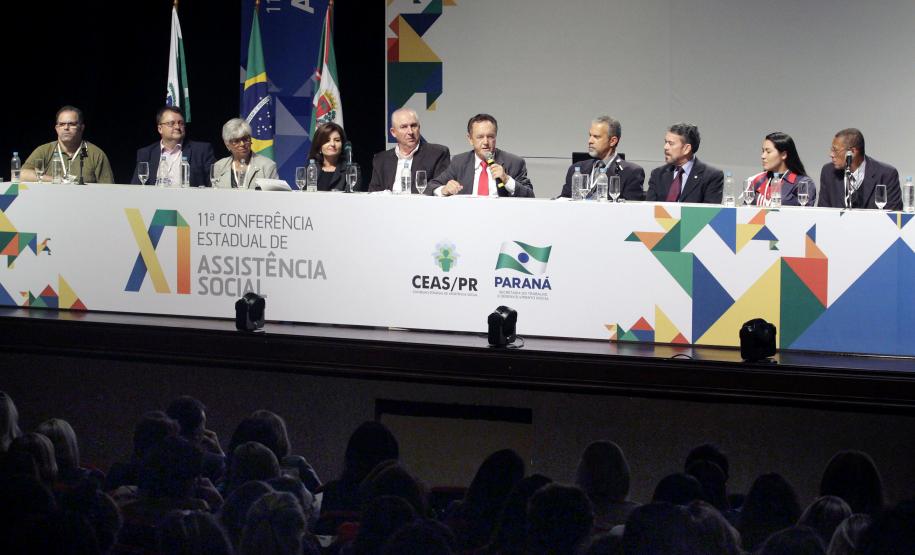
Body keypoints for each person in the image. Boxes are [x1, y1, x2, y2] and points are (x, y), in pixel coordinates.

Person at [430, 114, 534, 197]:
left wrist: (507, 179)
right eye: (480, 137)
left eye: (490, 136)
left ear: (495, 137)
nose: (485, 142)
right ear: (470, 139)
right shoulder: (459, 162)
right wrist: (444, 190)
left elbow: (530, 195)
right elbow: (432, 186)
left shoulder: (514, 162)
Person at [20, 105, 114, 184]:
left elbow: (109, 189)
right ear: (57, 128)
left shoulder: (96, 154)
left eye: (72, 124)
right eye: (61, 124)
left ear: (81, 128)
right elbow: (21, 174)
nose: (66, 128)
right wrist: (55, 180)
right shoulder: (44, 150)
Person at [559, 116, 645, 201]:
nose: (590, 141)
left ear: (612, 141)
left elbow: (631, 210)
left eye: (596, 137)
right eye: (590, 135)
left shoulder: (631, 172)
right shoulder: (577, 169)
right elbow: (564, 201)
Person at [368, 108, 451, 194]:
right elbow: (373, 194)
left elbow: (441, 188)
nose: (410, 131)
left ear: (419, 128)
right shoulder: (381, 159)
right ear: (393, 132)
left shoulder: (437, 154)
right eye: (404, 127)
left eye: (413, 126)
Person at [130, 106, 215, 187]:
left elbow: (213, 184)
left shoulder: (201, 151)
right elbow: (136, 187)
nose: (177, 127)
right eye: (171, 123)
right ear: (160, 129)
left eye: (181, 123)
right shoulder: (146, 153)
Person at [818, 128, 901, 210]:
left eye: (835, 150)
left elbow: (893, 216)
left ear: (852, 152)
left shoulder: (886, 175)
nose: (831, 154)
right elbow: (822, 212)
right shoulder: (828, 172)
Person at [646, 123, 723, 203]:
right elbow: (648, 209)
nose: (665, 147)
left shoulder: (711, 176)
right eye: (665, 142)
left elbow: (710, 213)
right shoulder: (658, 174)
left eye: (671, 143)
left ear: (686, 148)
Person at [747, 132, 818, 206]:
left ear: (783, 155)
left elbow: (806, 215)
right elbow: (745, 210)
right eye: (763, 151)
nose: (763, 156)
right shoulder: (758, 180)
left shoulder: (803, 183)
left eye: (768, 152)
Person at [211, 118, 279, 189]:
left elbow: (273, 197)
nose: (242, 144)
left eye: (245, 139)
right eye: (236, 141)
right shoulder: (219, 166)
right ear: (227, 144)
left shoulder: (267, 166)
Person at [307, 122, 349, 191]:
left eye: (337, 140)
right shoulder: (310, 168)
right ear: (319, 145)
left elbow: (353, 199)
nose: (332, 144)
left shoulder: (350, 170)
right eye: (327, 140)